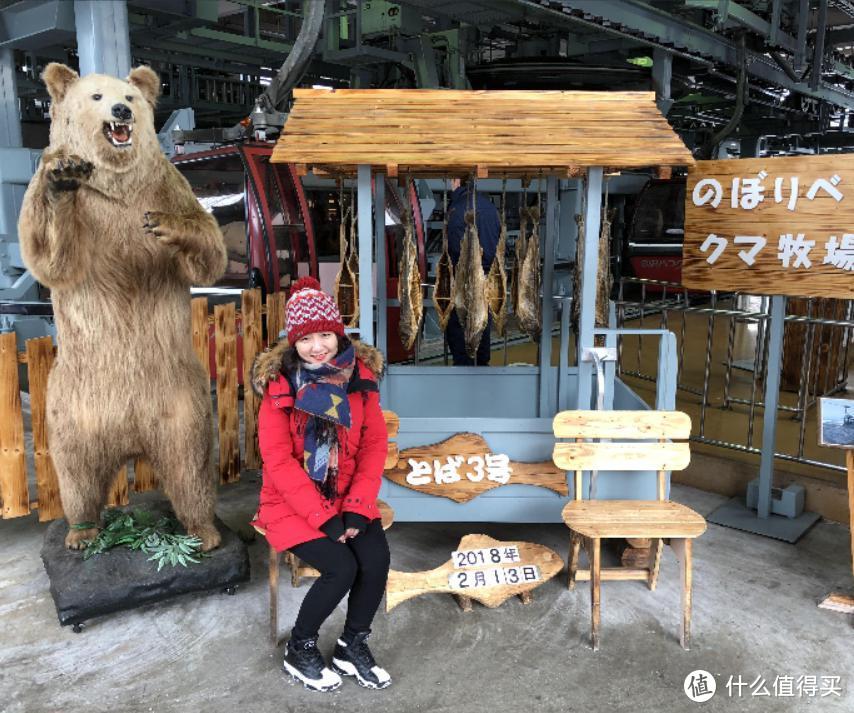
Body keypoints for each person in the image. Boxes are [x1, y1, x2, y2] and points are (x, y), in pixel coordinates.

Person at [250, 276, 391, 692]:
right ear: (293, 342)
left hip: (349, 496)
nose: (317, 346)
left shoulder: (359, 381)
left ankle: (351, 644)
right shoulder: (279, 387)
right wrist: (324, 517)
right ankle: (301, 648)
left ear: (338, 333)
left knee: (376, 558)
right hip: (290, 503)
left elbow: (373, 446)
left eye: (325, 335)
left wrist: (356, 507)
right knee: (340, 566)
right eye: (307, 338)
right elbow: (277, 461)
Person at [445, 178, 501, 366]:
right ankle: (482, 365)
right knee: (481, 326)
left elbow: (453, 250)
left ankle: (463, 369)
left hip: (463, 283)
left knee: (460, 328)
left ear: (456, 181)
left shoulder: (455, 209)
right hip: (485, 280)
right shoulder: (490, 208)